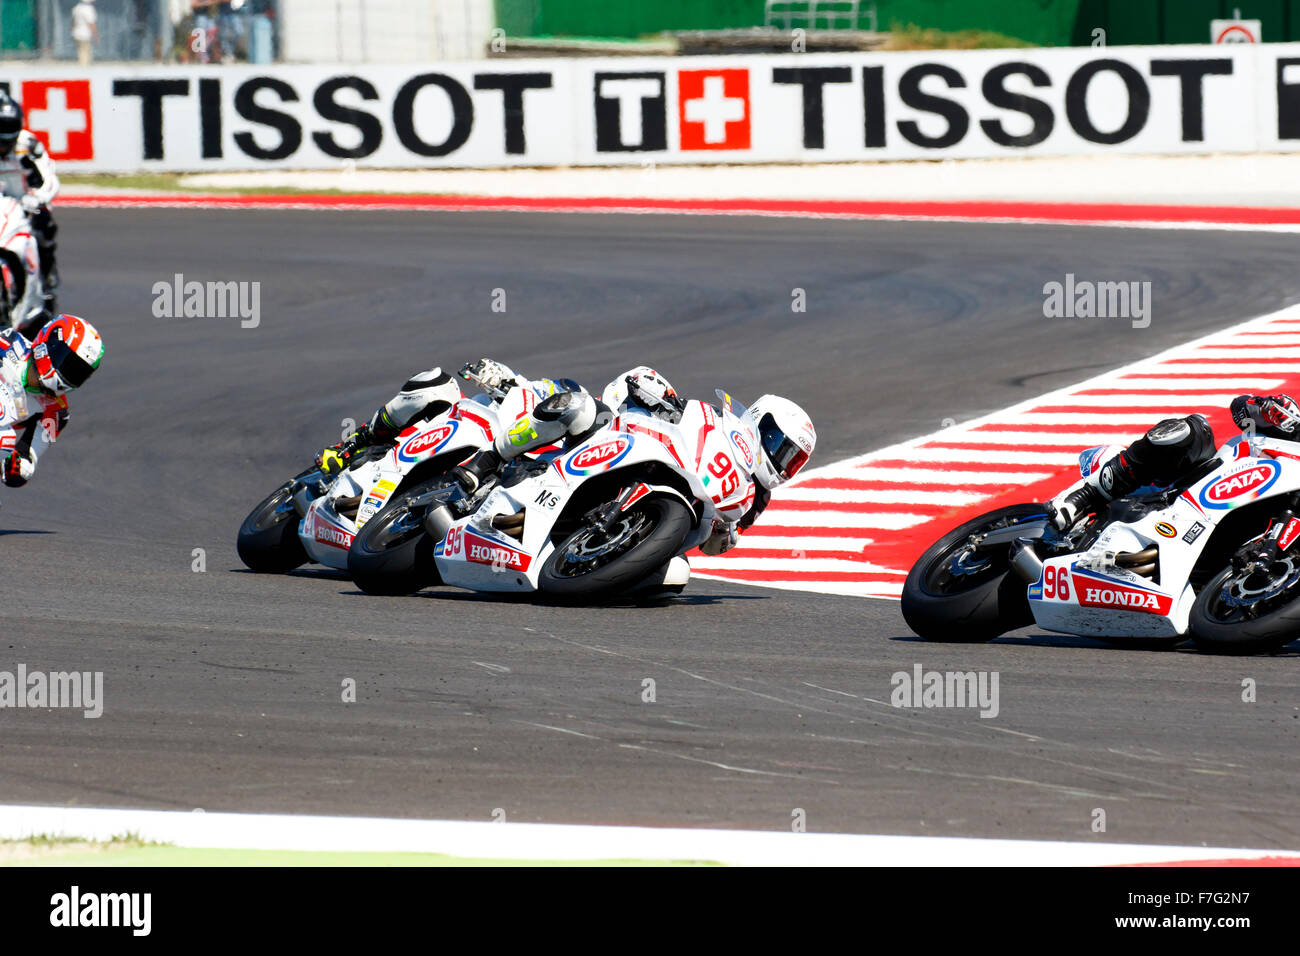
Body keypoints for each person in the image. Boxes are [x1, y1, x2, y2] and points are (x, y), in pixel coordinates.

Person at [1047, 394, 1300, 530]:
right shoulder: (1293, 426)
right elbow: (1240, 407)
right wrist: (1267, 409)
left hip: (1238, 535)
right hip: (1206, 482)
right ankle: (1085, 495)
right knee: (1194, 431)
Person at [0, 314, 104, 489]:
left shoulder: (56, 412)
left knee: (6, 439)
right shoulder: (7, 342)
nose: (70, 375)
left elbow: (28, 456)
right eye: (69, 364)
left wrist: (18, 469)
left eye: (79, 373)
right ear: (50, 345)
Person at [0, 92, 62, 311]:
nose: (3, 146)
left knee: (43, 227)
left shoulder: (27, 144)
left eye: (8, 138)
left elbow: (50, 179)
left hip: (25, 206)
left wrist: (38, 198)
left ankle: (47, 283)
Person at [71, 0, 99, 67]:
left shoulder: (77, 8)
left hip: (77, 33)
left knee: (81, 53)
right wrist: (95, 35)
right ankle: (84, 71)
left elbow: (73, 22)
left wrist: (72, 32)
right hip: (85, 35)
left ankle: (82, 68)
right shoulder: (88, 9)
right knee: (86, 55)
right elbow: (91, 24)